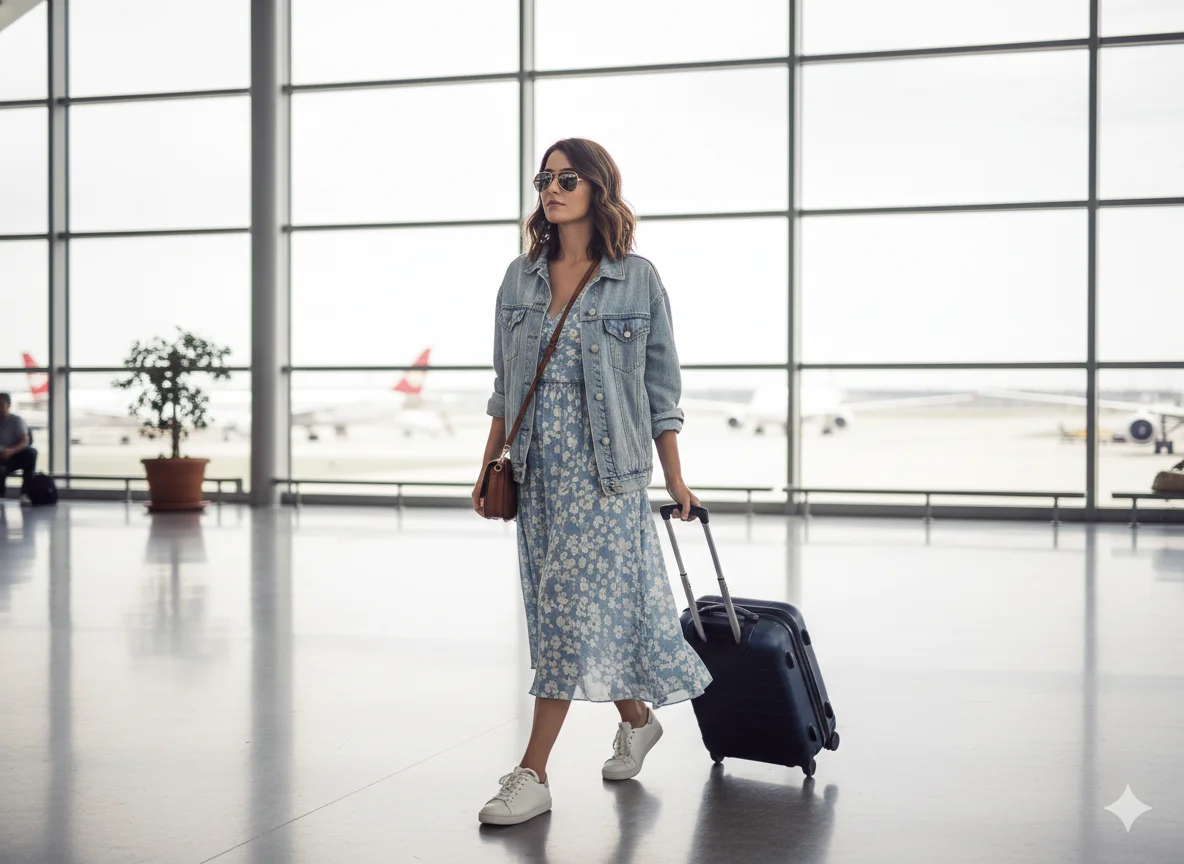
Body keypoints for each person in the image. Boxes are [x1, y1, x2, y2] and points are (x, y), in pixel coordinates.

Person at [471, 138, 712, 826]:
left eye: (566, 177)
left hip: (607, 479)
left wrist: (676, 479)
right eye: (544, 178)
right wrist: (487, 466)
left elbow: (661, 389)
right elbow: (503, 389)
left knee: (569, 617)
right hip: (541, 477)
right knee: (565, 614)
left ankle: (532, 772)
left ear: (596, 188)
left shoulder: (636, 279)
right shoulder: (520, 279)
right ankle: (636, 720)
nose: (551, 187)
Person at [0, 392, 37, 501]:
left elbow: (24, 441)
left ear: (8, 406)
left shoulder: (16, 421)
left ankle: (25, 493)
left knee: (31, 454)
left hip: (13, 455)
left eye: (1, 406)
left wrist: (10, 451)